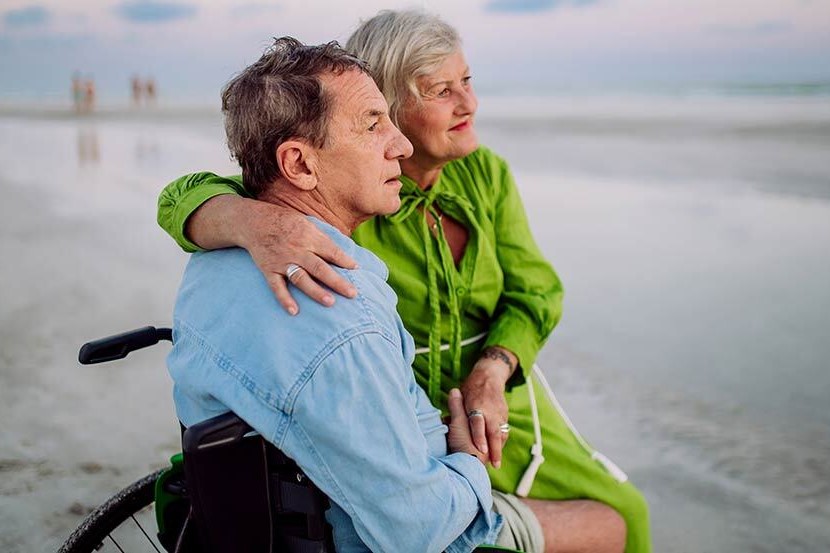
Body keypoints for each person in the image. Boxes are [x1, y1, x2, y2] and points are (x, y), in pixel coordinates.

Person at [159, 10, 647, 553]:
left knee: (628, 510)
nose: (468, 104)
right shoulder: (329, 205)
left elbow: (536, 292)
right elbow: (196, 194)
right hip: (390, 406)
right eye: (441, 90)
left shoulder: (483, 175)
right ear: (394, 102)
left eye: (468, 82)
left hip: (490, 391)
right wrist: (251, 222)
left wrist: (495, 366)